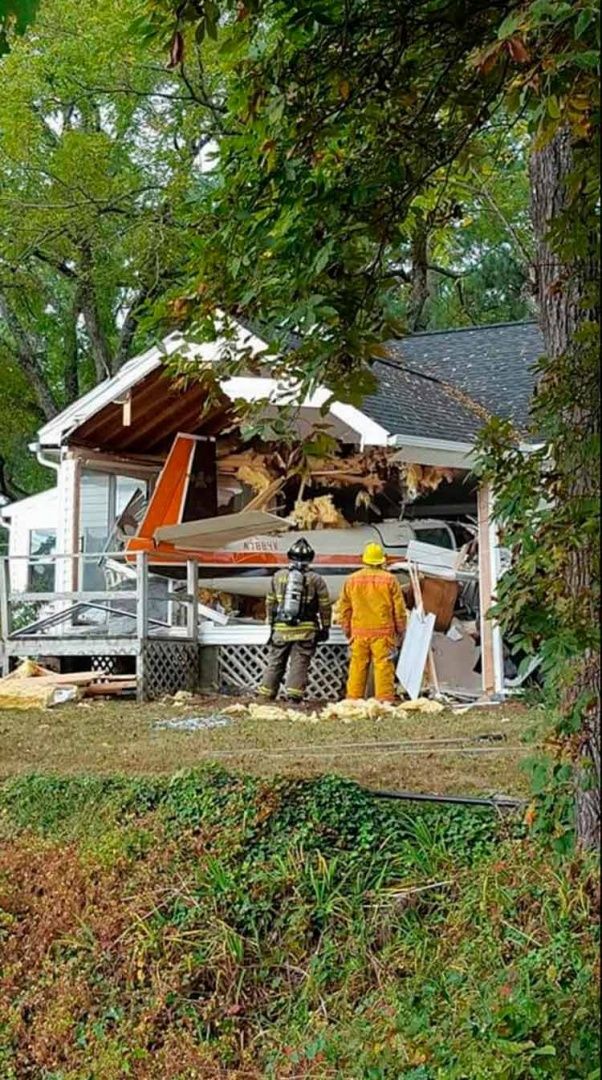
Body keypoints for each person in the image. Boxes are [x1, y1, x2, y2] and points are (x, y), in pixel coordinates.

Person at [257, 538, 332, 702]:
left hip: (281, 630)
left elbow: (270, 602)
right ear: (310, 559)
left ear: (289, 557)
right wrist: (326, 627)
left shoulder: (278, 577)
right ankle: (293, 698)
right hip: (305, 631)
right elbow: (325, 606)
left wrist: (271, 624)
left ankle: (265, 696)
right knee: (300, 663)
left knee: (275, 662)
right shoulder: (316, 579)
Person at [339, 542, 407, 703]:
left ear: (364, 560)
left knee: (357, 666)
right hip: (383, 633)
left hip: (359, 632)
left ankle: (353, 701)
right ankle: (384, 701)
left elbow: (345, 609)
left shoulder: (351, 580)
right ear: (382, 560)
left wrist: (347, 630)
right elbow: (399, 609)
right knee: (383, 666)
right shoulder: (390, 580)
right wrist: (401, 629)